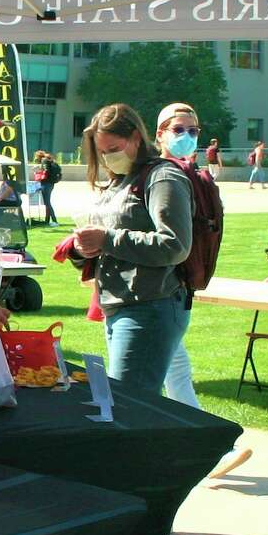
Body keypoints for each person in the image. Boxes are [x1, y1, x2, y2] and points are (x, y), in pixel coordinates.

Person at [152, 103, 253, 478]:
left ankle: (200, 449)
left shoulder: (191, 175)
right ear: (159, 133)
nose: (188, 137)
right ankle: (208, 450)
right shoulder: (159, 175)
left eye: (194, 130)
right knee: (164, 370)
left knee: (171, 368)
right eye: (179, 129)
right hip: (153, 293)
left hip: (175, 289)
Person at [71, 103, 193, 396]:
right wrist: (81, 249)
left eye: (113, 148)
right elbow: (108, 242)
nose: (107, 157)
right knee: (130, 404)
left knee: (129, 406)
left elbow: (175, 245)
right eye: (101, 152)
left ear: (137, 137)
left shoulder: (163, 177)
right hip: (121, 304)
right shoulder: (121, 181)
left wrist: (106, 239)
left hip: (150, 305)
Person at [34, 150, 61, 225]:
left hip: (45, 184)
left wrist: (39, 175)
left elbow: (46, 171)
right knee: (47, 202)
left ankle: (54, 220)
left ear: (39, 156)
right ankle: (47, 220)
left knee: (47, 203)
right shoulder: (50, 160)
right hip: (51, 184)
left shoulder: (44, 160)